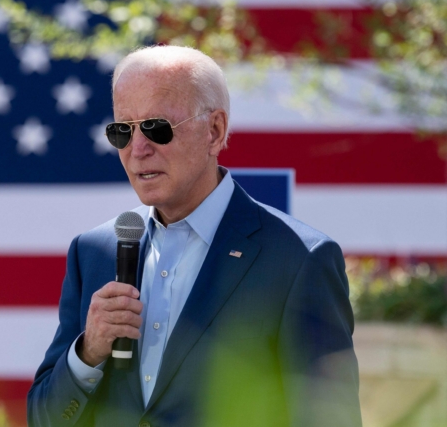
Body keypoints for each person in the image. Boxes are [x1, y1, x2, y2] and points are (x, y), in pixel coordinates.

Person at [27, 45, 362, 427]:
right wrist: (86, 354)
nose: (138, 149)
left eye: (157, 128)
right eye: (123, 130)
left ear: (214, 131)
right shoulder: (93, 251)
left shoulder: (300, 260)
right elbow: (43, 419)